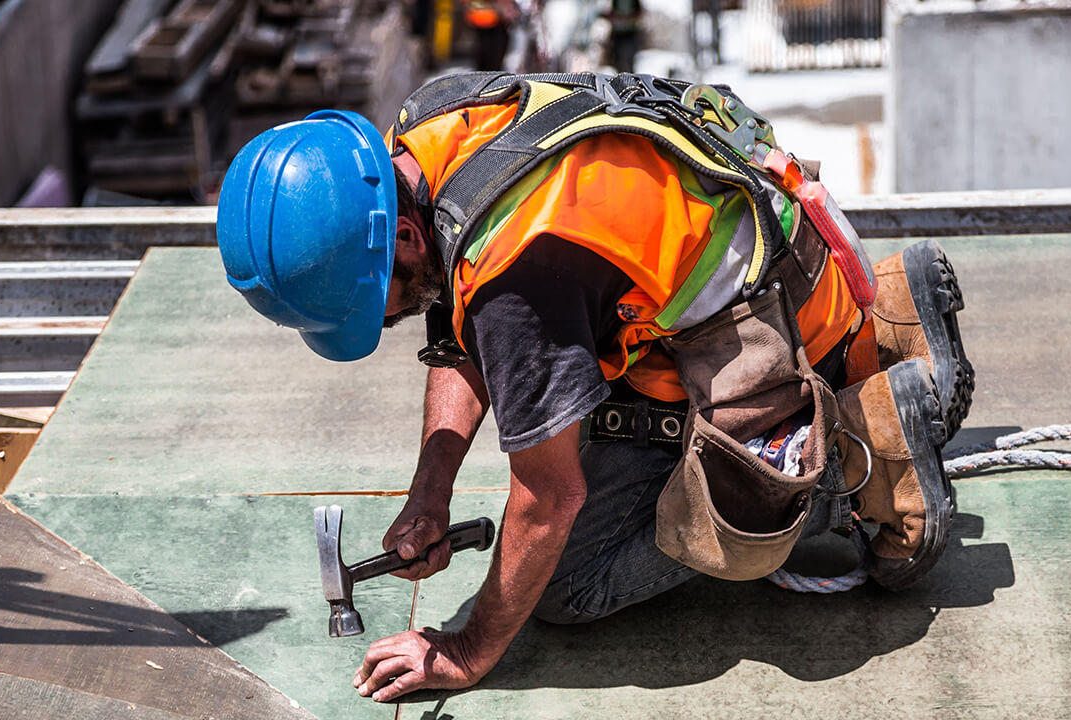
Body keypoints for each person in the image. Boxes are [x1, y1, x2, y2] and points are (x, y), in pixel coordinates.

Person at [215, 71, 974, 702]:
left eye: (370, 305)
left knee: (569, 585)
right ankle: (892, 315)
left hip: (773, 342)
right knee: (558, 419)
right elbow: (457, 320)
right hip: (778, 263)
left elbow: (549, 499)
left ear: (404, 237)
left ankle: (856, 451)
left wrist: (467, 650)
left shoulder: (518, 275)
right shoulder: (432, 127)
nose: (379, 326)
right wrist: (431, 490)